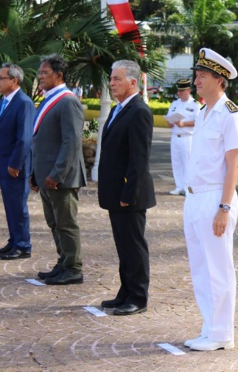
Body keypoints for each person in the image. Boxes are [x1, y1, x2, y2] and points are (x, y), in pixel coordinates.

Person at [183, 48, 238, 351]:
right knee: (200, 268)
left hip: (215, 199)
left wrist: (224, 208)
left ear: (219, 80)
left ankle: (222, 334)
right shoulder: (202, 111)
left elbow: (234, 165)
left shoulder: (231, 115)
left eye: (202, 75)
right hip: (194, 197)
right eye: (197, 74)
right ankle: (210, 326)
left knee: (219, 268)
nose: (196, 80)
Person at [98, 60, 156, 316]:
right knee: (123, 246)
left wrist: (128, 193)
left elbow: (139, 159)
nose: (111, 83)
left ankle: (138, 297)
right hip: (116, 193)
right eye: (111, 79)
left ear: (133, 82)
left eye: (117, 79)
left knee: (134, 246)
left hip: (128, 194)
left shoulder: (139, 111)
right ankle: (125, 291)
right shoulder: (118, 109)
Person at [31, 54, 87, 285]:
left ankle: (73, 268)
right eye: (40, 72)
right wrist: (36, 173)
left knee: (66, 223)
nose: (40, 76)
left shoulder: (68, 101)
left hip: (61, 177)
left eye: (45, 73)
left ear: (59, 75)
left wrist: (57, 174)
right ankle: (64, 261)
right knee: (54, 223)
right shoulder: (49, 99)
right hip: (46, 175)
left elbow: (71, 141)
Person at [0, 63, 35, 260]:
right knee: (10, 205)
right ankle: (14, 240)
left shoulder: (24, 103)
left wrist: (15, 163)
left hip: (16, 166)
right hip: (2, 161)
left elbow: (24, 137)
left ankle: (23, 244)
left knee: (18, 205)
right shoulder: (3, 101)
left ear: (14, 81)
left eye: (1, 78)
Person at [166, 78, 199, 196]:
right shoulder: (175, 104)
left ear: (189, 90)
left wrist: (184, 124)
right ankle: (179, 186)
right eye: (178, 91)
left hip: (187, 137)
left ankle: (187, 187)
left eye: (182, 91)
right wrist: (169, 122)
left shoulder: (195, 105)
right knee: (176, 162)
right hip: (175, 136)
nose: (179, 93)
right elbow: (169, 118)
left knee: (188, 163)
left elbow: (198, 121)